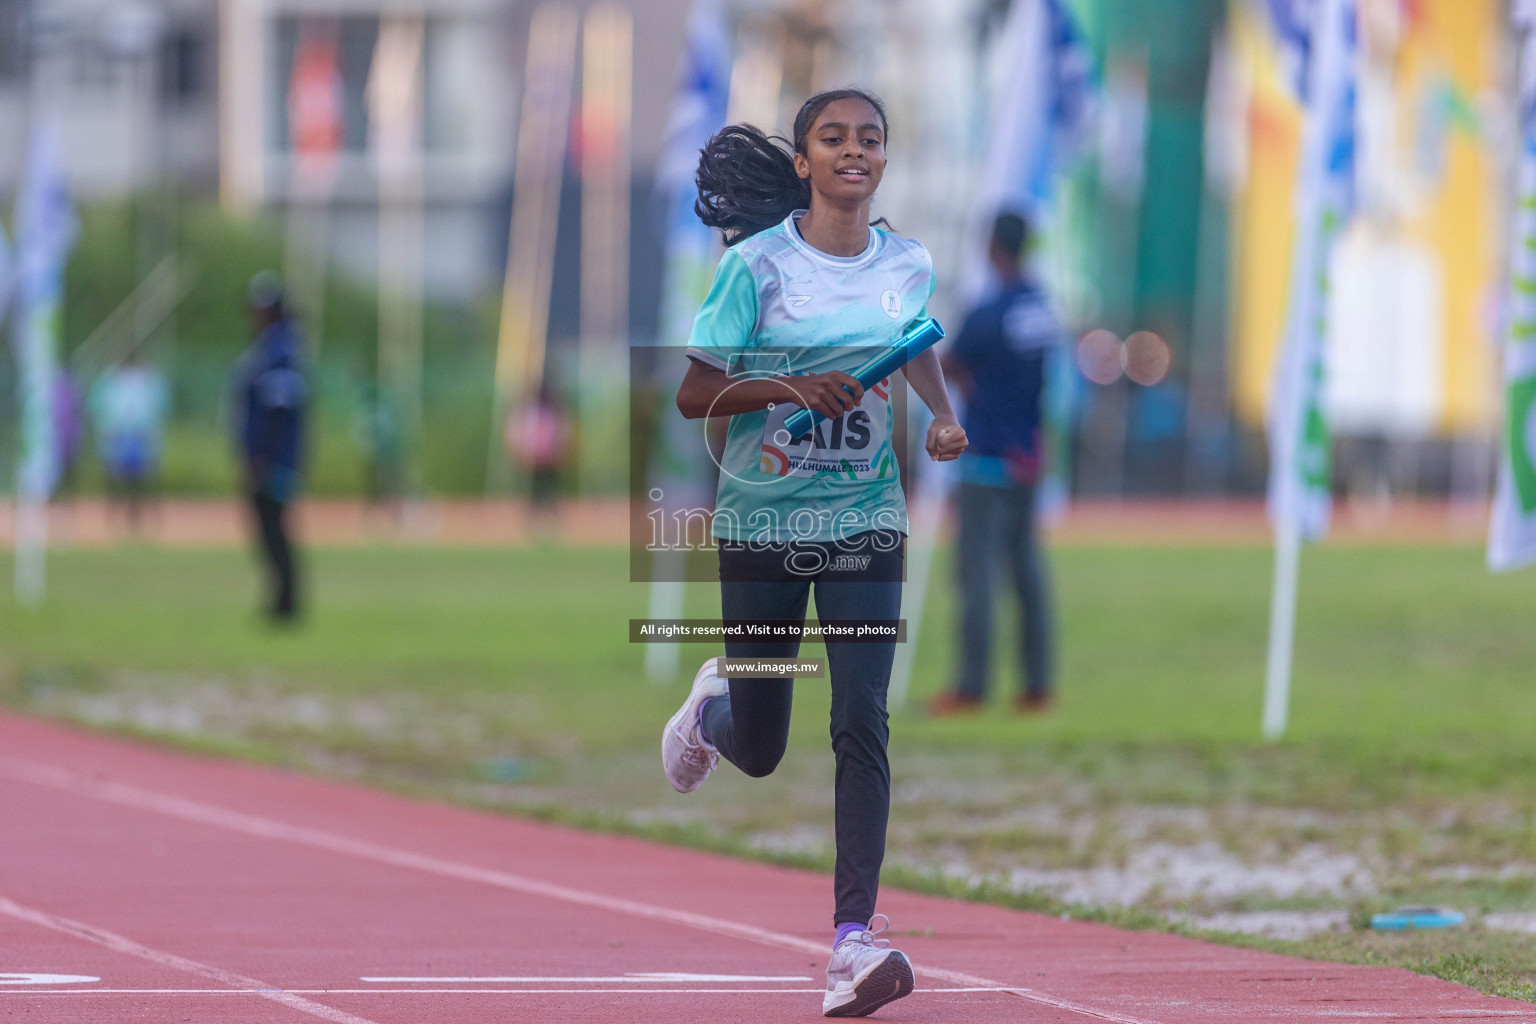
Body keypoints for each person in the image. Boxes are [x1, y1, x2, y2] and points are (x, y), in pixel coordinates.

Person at [661, 89, 967, 1018]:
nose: (853, 152)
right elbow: (692, 393)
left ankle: (852, 941)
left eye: (870, 139)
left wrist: (944, 418)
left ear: (884, 159)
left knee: (862, 716)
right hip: (764, 525)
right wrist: (794, 384)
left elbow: (914, 346)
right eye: (833, 138)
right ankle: (712, 712)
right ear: (802, 161)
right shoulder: (757, 268)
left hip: (867, 521)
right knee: (761, 746)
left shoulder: (907, 262)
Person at [928, 212, 1058, 716]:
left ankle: (971, 685)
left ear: (991, 247)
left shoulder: (991, 309)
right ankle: (1037, 683)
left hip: (984, 455)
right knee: (1026, 569)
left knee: (976, 573)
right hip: (1027, 453)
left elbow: (949, 362)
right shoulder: (1040, 307)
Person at [232, 272, 307, 622]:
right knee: (268, 531)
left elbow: (275, 414)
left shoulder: (280, 353)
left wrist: (260, 457)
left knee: (274, 530)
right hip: (270, 459)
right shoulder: (269, 350)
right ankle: (281, 598)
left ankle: (286, 603)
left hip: (274, 461)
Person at [90, 349, 169, 536]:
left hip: (138, 436)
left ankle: (136, 516)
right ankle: (117, 517)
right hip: (120, 436)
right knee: (118, 479)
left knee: (138, 480)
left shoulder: (146, 381)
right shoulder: (112, 381)